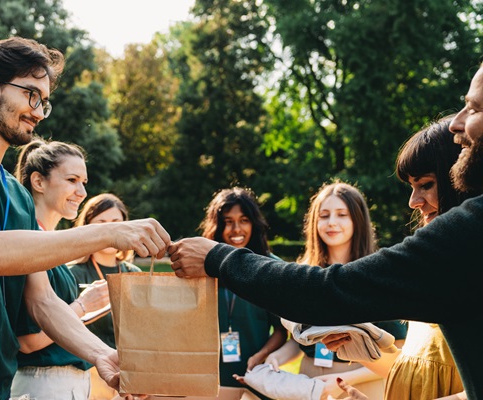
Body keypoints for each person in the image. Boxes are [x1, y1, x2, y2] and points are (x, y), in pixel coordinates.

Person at [166, 64, 483, 399]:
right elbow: (421, 368)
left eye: (475, 107)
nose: (457, 122)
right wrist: (361, 350)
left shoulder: (466, 234)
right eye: (324, 215)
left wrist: (217, 258)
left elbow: (327, 290)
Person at [0, 36, 170, 399]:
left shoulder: (18, 195)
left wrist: (103, 354)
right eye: (31, 95)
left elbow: (42, 301)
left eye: (45, 102)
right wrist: (108, 233)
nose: (38, 111)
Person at [326, 117, 467, 399]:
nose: (413, 201)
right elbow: (418, 368)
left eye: (425, 184)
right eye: (411, 187)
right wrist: (357, 347)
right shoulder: (432, 262)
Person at [260, 182, 406, 399]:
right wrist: (276, 358)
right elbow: (301, 339)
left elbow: (399, 353)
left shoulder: (376, 275)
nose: (332, 223)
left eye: (341, 214)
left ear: (357, 220)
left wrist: (344, 381)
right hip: (308, 383)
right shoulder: (304, 274)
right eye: (324, 215)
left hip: (359, 385)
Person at [9, 139, 110, 398]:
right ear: (38, 182)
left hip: (70, 384)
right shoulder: (26, 238)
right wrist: (83, 305)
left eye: (83, 183)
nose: (82, 192)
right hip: (42, 383)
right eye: (72, 180)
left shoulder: (50, 244)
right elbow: (28, 341)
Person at [191, 188, 286, 400]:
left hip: (254, 379)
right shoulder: (201, 268)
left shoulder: (271, 268)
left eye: (244, 220)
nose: (236, 229)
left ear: (254, 223)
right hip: (206, 382)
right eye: (228, 221)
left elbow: (282, 329)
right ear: (217, 225)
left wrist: (262, 356)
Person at [67, 193, 143, 399]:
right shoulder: (72, 273)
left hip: (131, 375)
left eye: (115, 222)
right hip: (88, 375)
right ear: (87, 227)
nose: (109, 229)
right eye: (101, 223)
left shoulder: (135, 274)